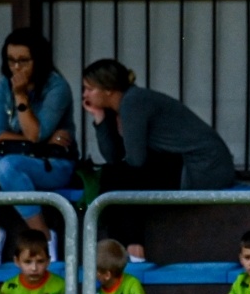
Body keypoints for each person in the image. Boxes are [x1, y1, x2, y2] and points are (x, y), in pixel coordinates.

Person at [81, 59, 236, 262]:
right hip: (181, 164)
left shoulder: (133, 102)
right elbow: (114, 157)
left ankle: (127, 250)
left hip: (202, 168)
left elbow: (135, 161)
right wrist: (99, 118)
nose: (84, 95)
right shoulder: (120, 107)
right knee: (115, 174)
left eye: (89, 89)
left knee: (117, 176)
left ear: (108, 90)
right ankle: (123, 250)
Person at [0, 28, 77, 267]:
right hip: (20, 158)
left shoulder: (57, 88)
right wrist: (40, 140)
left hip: (54, 164)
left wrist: (21, 97)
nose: (16, 68)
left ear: (39, 60)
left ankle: (44, 239)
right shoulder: (2, 86)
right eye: (11, 61)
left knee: (8, 166)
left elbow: (34, 133)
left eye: (23, 61)